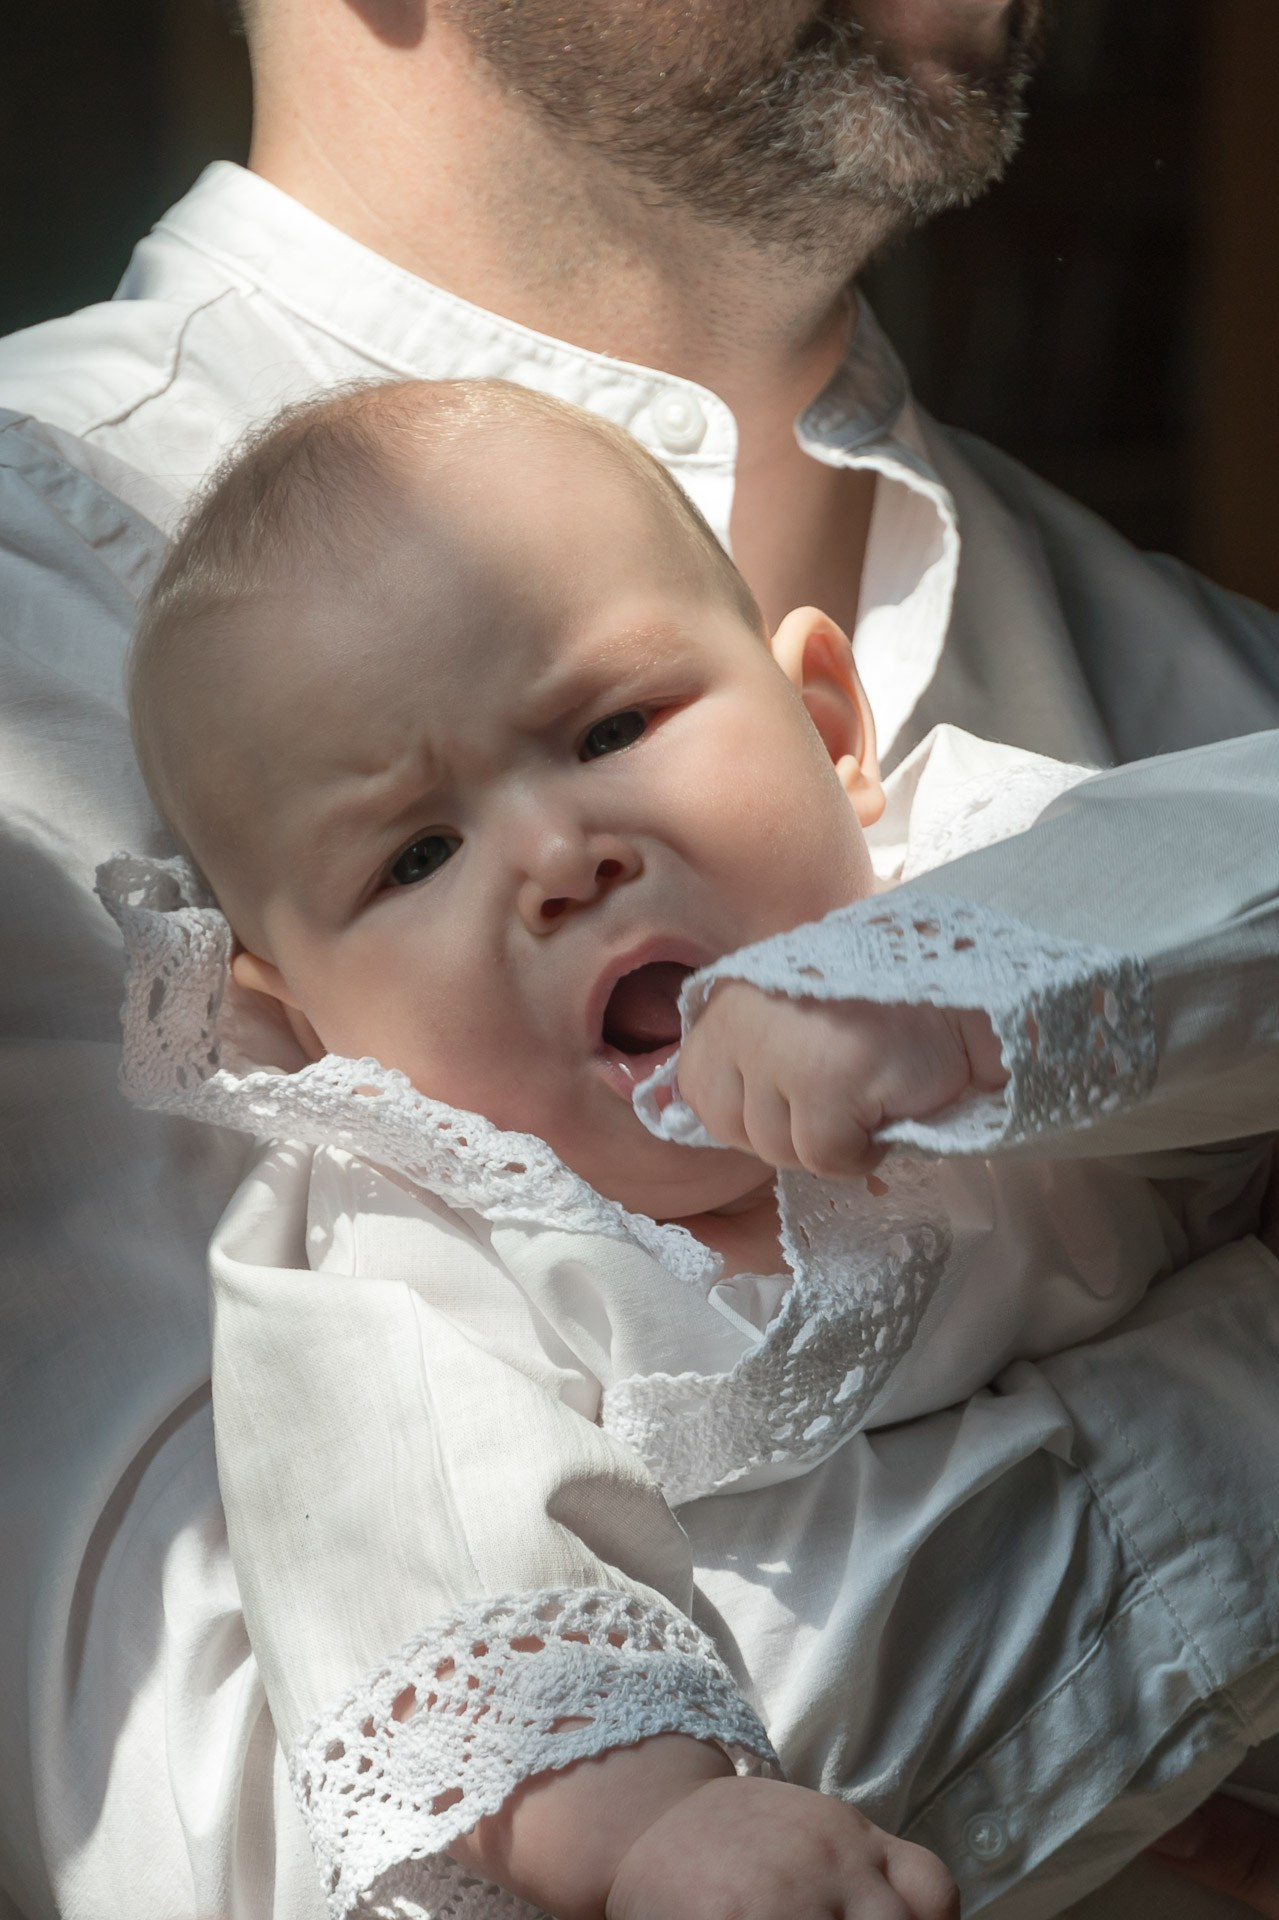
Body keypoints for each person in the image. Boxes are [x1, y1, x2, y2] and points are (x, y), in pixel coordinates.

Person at [2, 2, 1279, 1915]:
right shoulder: (37, 624)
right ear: (276, 1014)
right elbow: (322, 1849)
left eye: (617, 726)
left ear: (827, 715)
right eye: (416, 851)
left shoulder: (1208, 707)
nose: (560, 856)